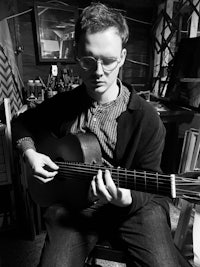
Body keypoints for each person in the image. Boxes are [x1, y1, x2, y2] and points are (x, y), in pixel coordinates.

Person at [12, 2, 191, 267]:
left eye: (108, 61)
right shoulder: (63, 104)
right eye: (88, 60)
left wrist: (126, 197)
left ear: (122, 57)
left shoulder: (147, 118)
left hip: (136, 208)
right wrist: (30, 154)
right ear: (76, 55)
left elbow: (152, 178)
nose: (98, 72)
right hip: (74, 205)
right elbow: (21, 123)